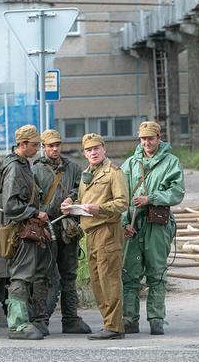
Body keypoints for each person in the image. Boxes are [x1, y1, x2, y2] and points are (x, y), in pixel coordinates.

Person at [61, 133, 128, 340]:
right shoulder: (86, 174)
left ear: (104, 149)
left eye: (96, 148)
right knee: (97, 281)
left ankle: (114, 327)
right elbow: (84, 198)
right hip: (90, 234)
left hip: (107, 231)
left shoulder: (114, 173)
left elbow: (122, 203)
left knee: (109, 280)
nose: (93, 152)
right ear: (85, 153)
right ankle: (109, 324)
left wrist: (99, 208)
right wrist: (70, 203)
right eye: (89, 150)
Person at [121, 121, 185, 335]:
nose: (147, 143)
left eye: (151, 138)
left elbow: (177, 192)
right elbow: (120, 196)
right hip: (133, 225)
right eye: (143, 139)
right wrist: (124, 223)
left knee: (156, 273)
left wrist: (152, 198)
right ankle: (129, 320)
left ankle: (156, 319)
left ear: (159, 138)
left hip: (158, 225)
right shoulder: (130, 164)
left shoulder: (171, 162)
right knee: (129, 274)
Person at [32, 129, 92, 334]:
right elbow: (31, 196)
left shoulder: (73, 168)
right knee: (43, 275)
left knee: (69, 275)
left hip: (68, 228)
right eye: (50, 145)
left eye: (57, 144)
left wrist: (72, 198)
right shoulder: (35, 169)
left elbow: (82, 190)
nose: (55, 148)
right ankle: (40, 320)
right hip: (45, 228)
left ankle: (71, 319)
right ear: (43, 147)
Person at [1, 125, 50, 340]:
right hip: (20, 232)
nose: (38, 149)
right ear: (22, 145)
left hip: (26, 231)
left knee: (26, 276)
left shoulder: (23, 165)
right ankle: (18, 325)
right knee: (20, 277)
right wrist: (35, 213)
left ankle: (23, 320)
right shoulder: (15, 168)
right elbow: (11, 206)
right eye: (35, 145)